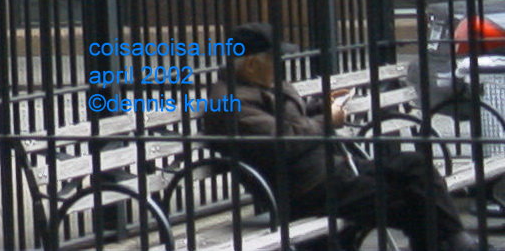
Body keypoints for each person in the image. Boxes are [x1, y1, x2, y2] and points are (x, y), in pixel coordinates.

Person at [203, 22, 474, 251]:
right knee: (416, 203)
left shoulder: (260, 84)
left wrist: (320, 106)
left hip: (333, 173)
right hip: (307, 190)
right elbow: (283, 139)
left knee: (414, 165)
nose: (281, 65)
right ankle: (460, 243)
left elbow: (288, 120)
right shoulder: (229, 103)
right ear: (250, 63)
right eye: (275, 59)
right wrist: (326, 121)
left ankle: (457, 241)